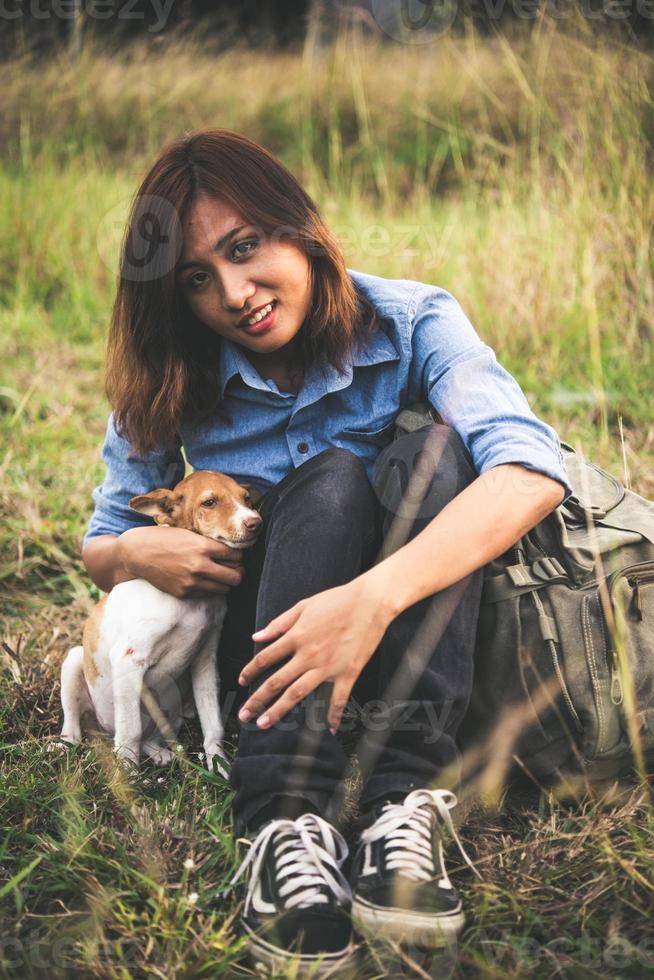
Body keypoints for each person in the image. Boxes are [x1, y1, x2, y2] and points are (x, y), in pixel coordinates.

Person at [82, 129, 573, 974]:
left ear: (300, 225)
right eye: (197, 279)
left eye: (245, 249)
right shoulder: (171, 373)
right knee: (334, 478)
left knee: (437, 455)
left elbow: (529, 470)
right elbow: (100, 543)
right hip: (259, 665)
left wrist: (371, 599)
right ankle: (281, 816)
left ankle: (399, 805)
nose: (234, 294)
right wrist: (138, 555)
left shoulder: (414, 319)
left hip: (406, 652)